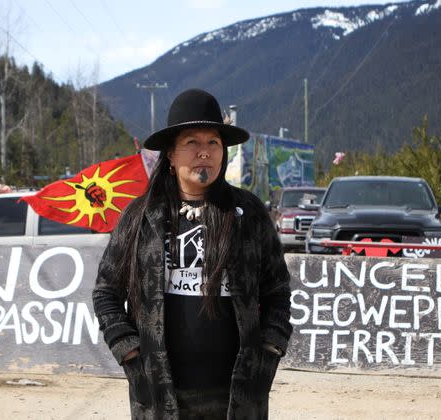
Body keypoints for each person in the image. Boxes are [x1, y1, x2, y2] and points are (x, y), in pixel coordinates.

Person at [93, 88, 292, 419]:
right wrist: (129, 351)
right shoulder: (142, 216)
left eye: (213, 142)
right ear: (171, 154)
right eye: (192, 143)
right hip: (160, 394)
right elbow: (106, 293)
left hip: (237, 396)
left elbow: (277, 291)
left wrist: (270, 348)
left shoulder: (248, 213)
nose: (205, 152)